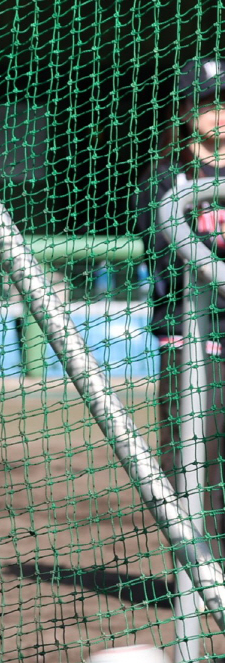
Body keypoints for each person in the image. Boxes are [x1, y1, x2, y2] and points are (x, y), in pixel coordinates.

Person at [136, 54, 225, 553]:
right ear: (186, 112)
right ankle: (205, 579)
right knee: (190, 465)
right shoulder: (168, 177)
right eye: (209, 103)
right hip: (194, 338)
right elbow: (173, 252)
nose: (220, 113)